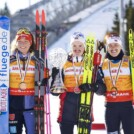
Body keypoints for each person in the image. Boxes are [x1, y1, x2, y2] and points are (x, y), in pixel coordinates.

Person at [50, 32, 106, 134]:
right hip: (66, 111)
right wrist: (55, 78)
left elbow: (102, 89)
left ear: (84, 46)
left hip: (85, 110)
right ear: (70, 46)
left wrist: (92, 87)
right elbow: (54, 92)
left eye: (80, 45)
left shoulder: (91, 64)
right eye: (74, 45)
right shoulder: (63, 63)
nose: (77, 48)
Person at [83, 33, 133, 134]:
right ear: (107, 47)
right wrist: (96, 87)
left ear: (120, 46)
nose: (113, 48)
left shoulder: (129, 62)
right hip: (111, 107)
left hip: (127, 107)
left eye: (116, 45)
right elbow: (102, 89)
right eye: (110, 45)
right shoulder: (102, 65)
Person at [9, 28, 35, 134]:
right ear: (16, 43)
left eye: (26, 41)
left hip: (31, 107)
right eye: (20, 41)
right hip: (13, 107)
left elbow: (43, 84)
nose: (22, 44)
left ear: (30, 43)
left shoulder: (36, 61)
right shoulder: (9, 61)